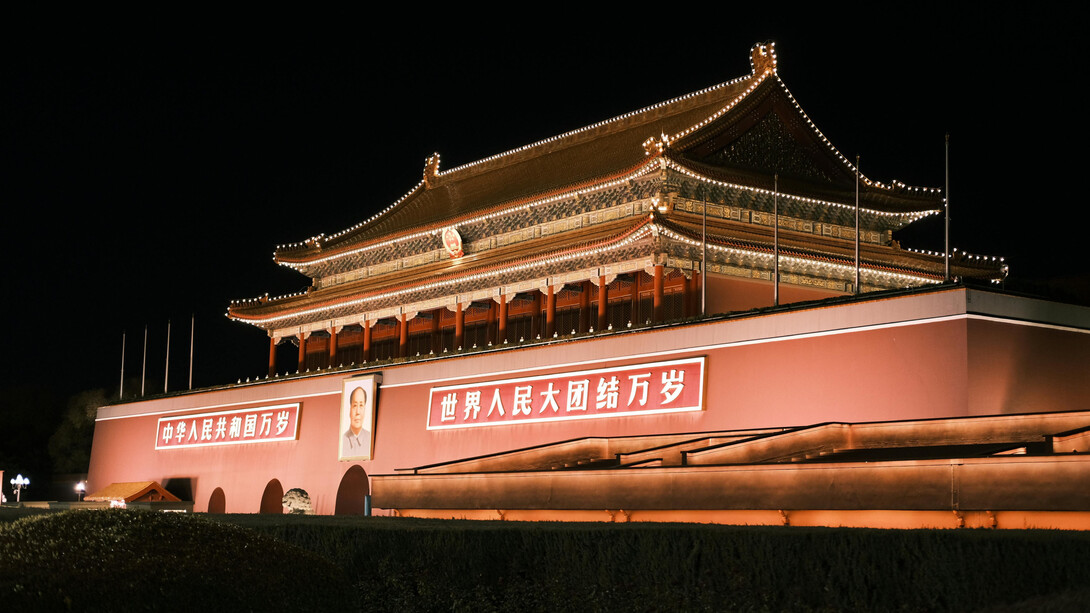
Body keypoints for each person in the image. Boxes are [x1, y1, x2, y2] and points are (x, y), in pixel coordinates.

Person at [342, 386, 369, 457]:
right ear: (349, 408)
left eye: (361, 405)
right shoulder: (342, 440)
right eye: (354, 406)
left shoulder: (370, 439)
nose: (358, 412)